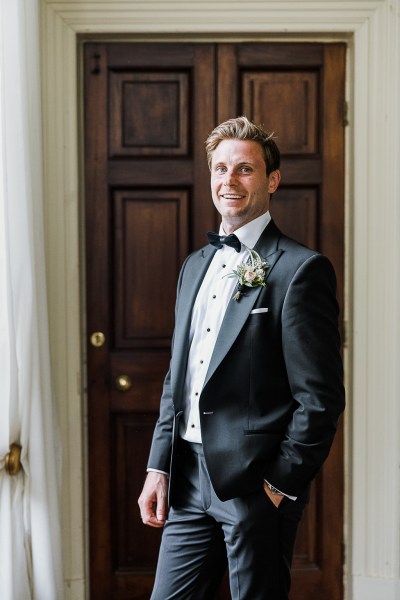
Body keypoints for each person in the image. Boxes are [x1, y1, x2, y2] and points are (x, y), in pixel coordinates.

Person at [138, 116, 345, 599]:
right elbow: (179, 376)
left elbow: (320, 400)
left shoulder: (301, 270)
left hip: (256, 487)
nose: (228, 181)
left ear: (272, 180)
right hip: (186, 478)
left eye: (245, 169)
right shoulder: (195, 266)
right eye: (220, 168)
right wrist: (158, 466)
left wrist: (277, 487)